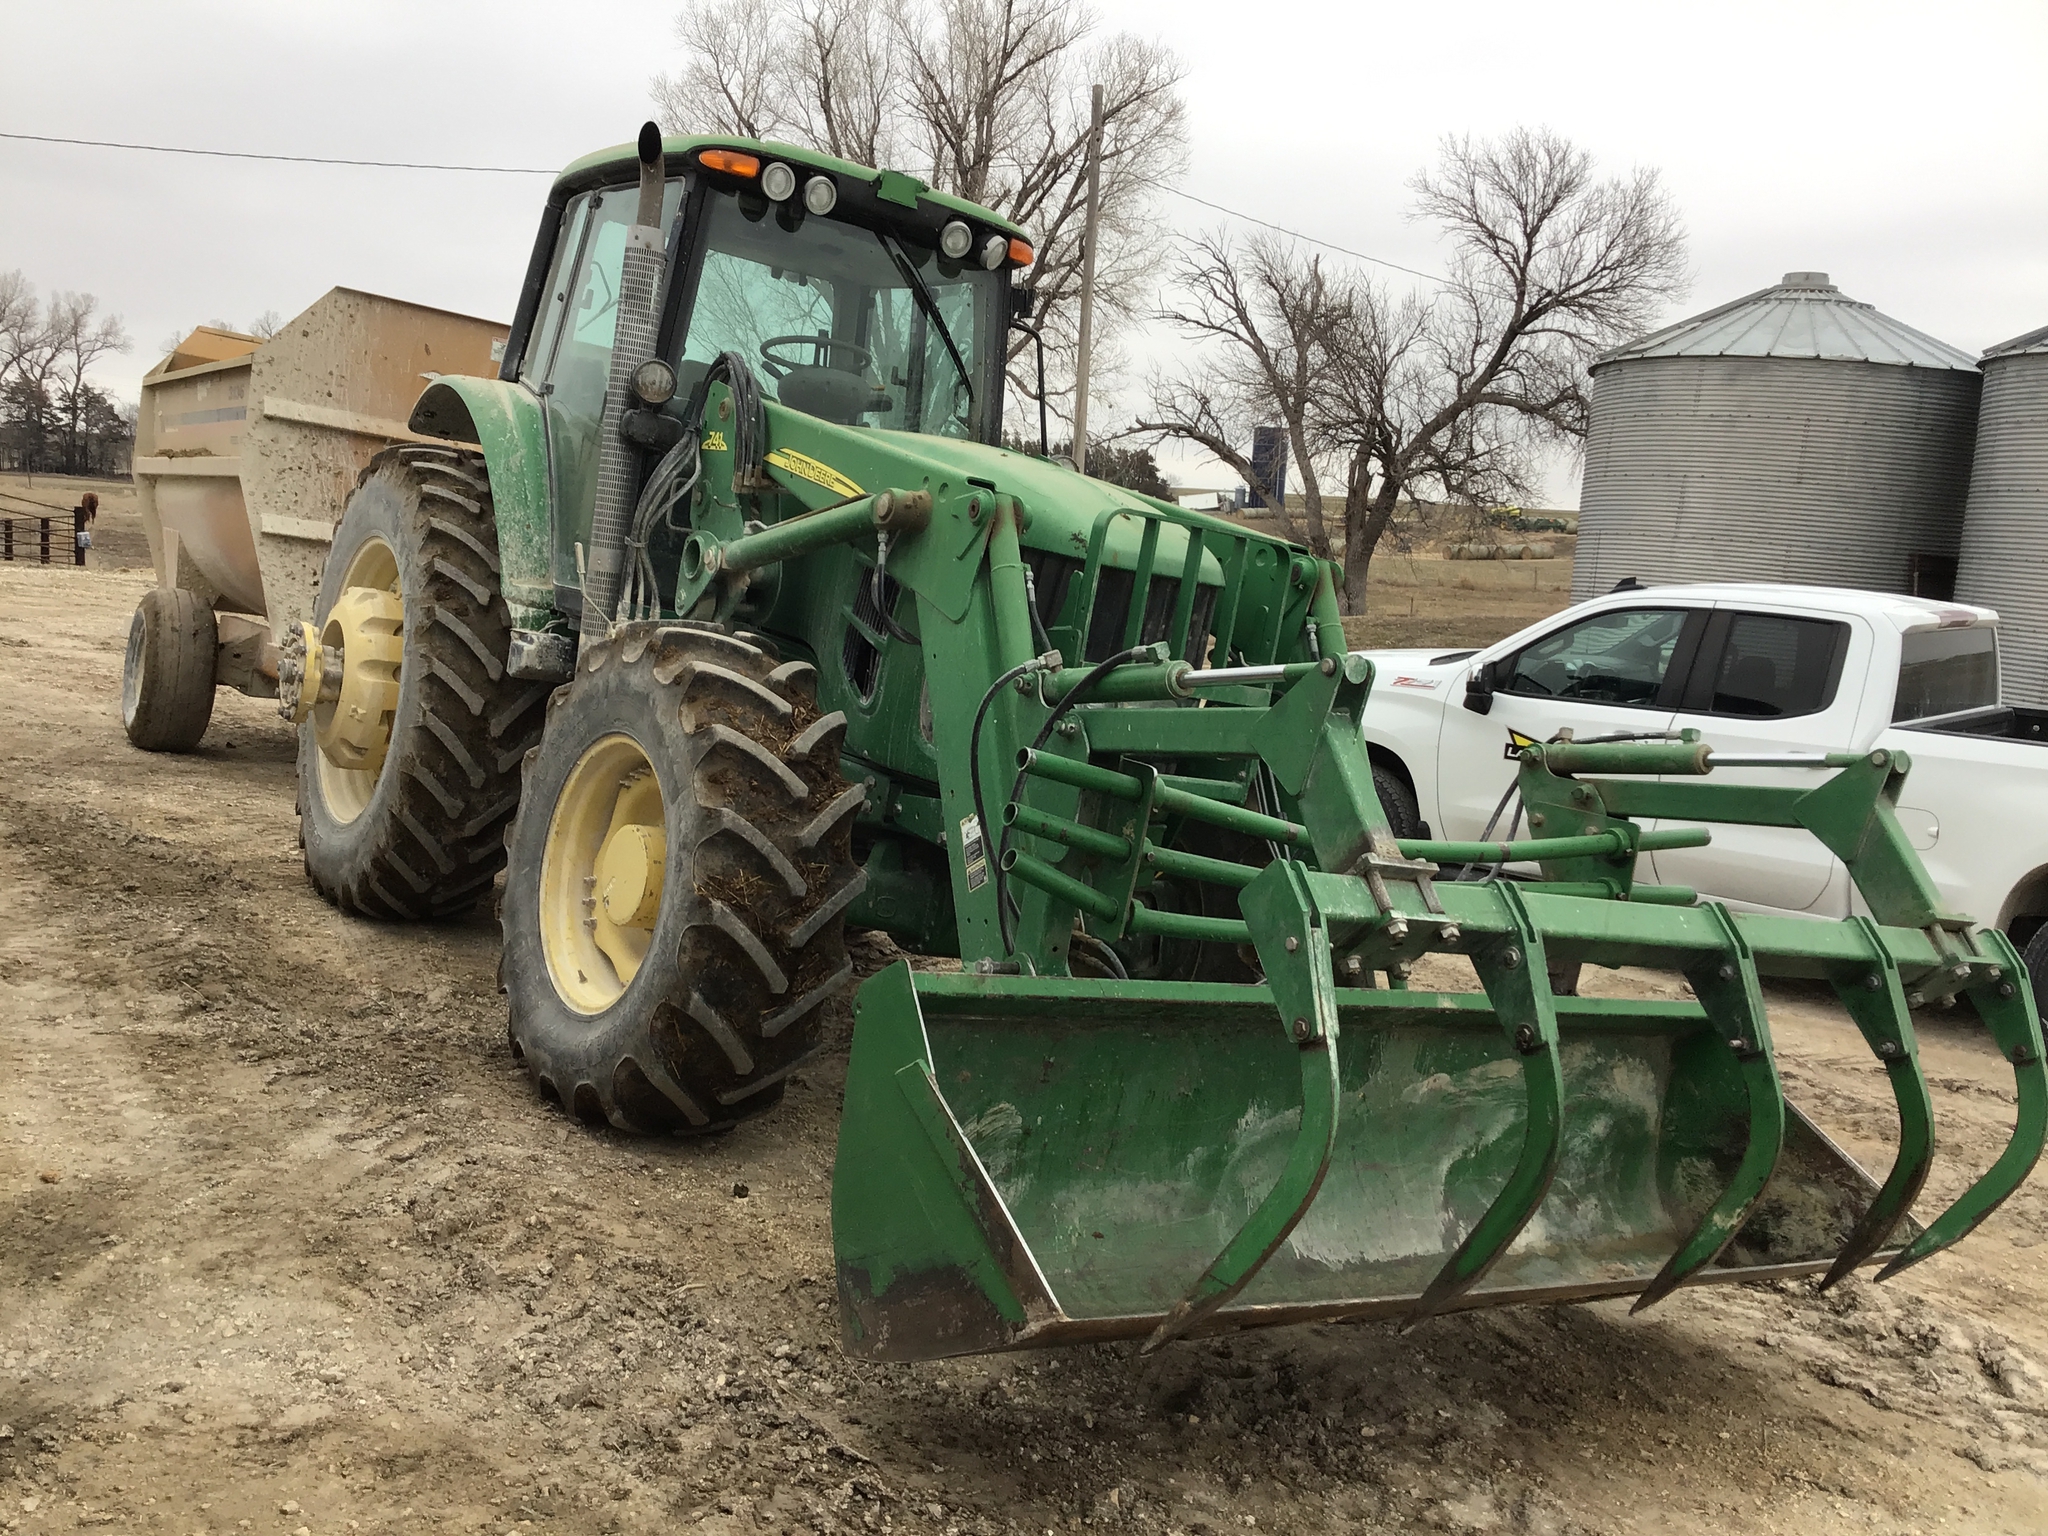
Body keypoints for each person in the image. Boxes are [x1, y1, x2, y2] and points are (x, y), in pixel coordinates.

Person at [73, 492, 97, 567]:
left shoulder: (81, 516)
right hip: (85, 538)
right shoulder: (92, 521)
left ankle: (81, 561)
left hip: (81, 536)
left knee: (80, 549)